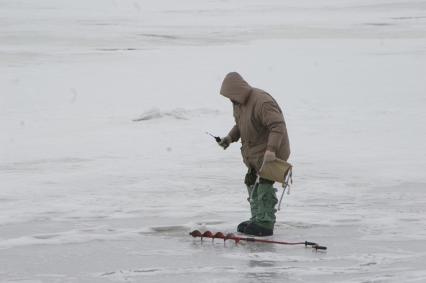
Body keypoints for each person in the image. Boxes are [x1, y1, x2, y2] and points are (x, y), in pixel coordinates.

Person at [218, 72, 290, 236]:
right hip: (255, 153)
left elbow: (277, 126)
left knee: (264, 185)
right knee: (251, 181)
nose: (229, 99)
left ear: (237, 91)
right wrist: (229, 138)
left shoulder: (262, 101)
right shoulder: (239, 104)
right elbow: (240, 125)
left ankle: (265, 224)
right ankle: (257, 218)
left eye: (230, 95)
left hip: (271, 153)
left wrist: (271, 149)